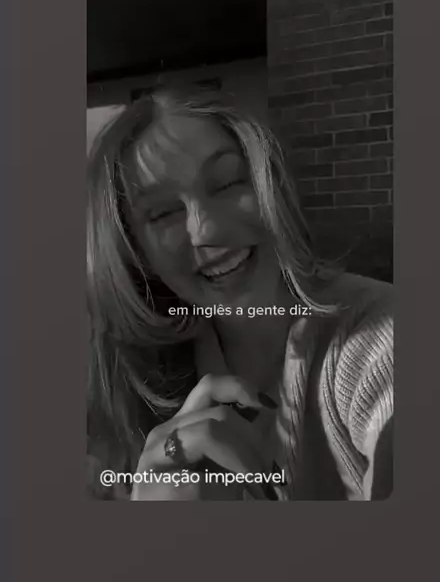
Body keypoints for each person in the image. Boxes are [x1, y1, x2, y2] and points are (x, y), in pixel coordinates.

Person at [87, 82, 393, 501]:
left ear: (272, 185)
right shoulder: (121, 382)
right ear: (136, 253)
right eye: (162, 213)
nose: (206, 229)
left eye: (228, 183)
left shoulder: (377, 337)